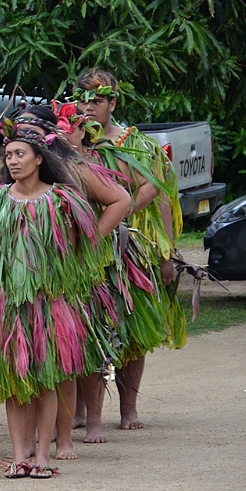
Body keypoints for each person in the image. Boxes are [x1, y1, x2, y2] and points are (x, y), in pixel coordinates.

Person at [0, 126, 113, 479]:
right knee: (14, 384)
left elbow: (79, 243)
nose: (13, 161)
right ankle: (19, 455)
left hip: (50, 303)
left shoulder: (61, 200)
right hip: (5, 303)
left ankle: (43, 454)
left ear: (40, 158)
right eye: (8, 156)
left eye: (20, 154)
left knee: (46, 380)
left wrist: (63, 270)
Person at [72, 68, 186, 436]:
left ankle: (128, 407)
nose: (88, 108)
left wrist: (166, 254)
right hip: (85, 251)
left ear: (113, 103)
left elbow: (159, 195)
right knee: (84, 328)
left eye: (96, 101)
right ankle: (80, 410)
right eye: (82, 101)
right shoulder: (70, 142)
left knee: (133, 330)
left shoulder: (138, 146)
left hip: (131, 250)